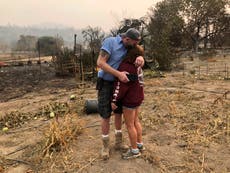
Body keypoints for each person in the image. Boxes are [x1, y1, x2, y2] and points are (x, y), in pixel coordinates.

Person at [96, 28, 144, 160]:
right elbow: (100, 63)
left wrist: (141, 58)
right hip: (106, 83)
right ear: (126, 39)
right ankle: (105, 146)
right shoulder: (110, 42)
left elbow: (137, 52)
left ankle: (118, 142)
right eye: (133, 43)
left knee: (118, 113)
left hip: (120, 84)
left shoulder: (128, 46)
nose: (134, 45)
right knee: (106, 114)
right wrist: (118, 74)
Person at [111, 44, 145, 159]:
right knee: (136, 122)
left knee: (130, 125)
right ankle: (140, 144)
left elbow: (120, 86)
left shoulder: (125, 66)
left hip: (129, 100)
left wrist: (114, 100)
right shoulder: (138, 65)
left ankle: (134, 151)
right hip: (138, 98)